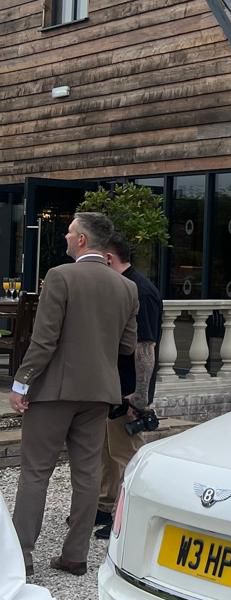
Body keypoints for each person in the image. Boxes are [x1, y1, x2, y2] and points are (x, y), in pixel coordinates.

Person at [9, 211, 138, 577]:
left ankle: (23, 555)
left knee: (36, 471)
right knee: (86, 476)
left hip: (55, 391)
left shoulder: (60, 276)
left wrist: (21, 383)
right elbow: (127, 346)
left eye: (69, 232)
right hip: (99, 391)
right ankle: (75, 555)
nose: (65, 237)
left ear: (82, 240)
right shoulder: (126, 287)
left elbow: (44, 340)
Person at [95, 233, 164, 540]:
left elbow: (145, 346)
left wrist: (140, 397)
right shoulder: (125, 286)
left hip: (129, 390)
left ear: (109, 258)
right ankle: (104, 504)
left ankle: (125, 514)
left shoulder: (141, 291)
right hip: (114, 385)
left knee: (125, 453)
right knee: (108, 451)